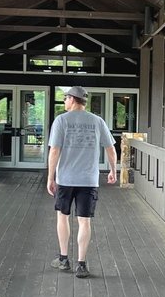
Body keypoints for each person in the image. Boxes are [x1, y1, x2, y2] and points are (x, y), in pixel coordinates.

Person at [46, 85, 117, 277]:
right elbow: (110, 148)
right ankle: (82, 264)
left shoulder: (61, 120)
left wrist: (50, 177)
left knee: (62, 216)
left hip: (66, 179)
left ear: (72, 99)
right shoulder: (97, 121)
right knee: (84, 221)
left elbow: (54, 150)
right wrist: (113, 170)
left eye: (65, 98)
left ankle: (63, 259)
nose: (64, 102)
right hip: (89, 179)